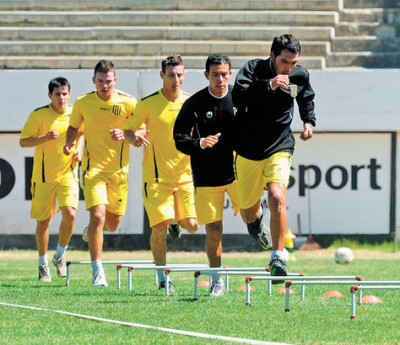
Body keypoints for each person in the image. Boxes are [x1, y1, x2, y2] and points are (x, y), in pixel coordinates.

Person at [173, 53, 269, 297]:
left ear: (230, 73)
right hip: (207, 176)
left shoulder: (242, 97)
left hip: (239, 171)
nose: (221, 79)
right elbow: (179, 138)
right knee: (213, 229)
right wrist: (200, 143)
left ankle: (257, 222)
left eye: (225, 74)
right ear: (206, 75)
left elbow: (260, 128)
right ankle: (217, 281)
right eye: (215, 74)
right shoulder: (194, 103)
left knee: (249, 215)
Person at [231, 34, 316, 283]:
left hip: (280, 144)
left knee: (277, 194)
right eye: (284, 62)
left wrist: (309, 121)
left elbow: (306, 98)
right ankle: (256, 223)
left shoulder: (299, 75)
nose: (288, 68)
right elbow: (238, 97)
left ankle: (278, 255)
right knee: (248, 210)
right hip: (247, 149)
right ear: (272, 55)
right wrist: (269, 85)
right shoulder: (252, 69)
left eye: (293, 62)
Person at [123, 55, 198, 293]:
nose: (175, 80)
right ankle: (163, 277)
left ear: (184, 75)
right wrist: (134, 137)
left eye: (179, 75)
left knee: (193, 225)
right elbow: (128, 130)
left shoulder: (192, 103)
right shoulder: (147, 104)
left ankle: (178, 220)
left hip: (185, 176)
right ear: (162, 76)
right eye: (170, 75)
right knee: (159, 227)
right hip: (156, 178)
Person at [64, 60, 137, 287]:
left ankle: (92, 231)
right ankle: (98, 272)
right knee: (98, 216)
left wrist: (125, 134)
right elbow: (73, 127)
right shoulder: (83, 102)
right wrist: (70, 144)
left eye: (108, 81)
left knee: (113, 224)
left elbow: (144, 127)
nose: (104, 86)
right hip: (92, 170)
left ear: (115, 80)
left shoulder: (128, 102)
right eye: (100, 81)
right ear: (93, 81)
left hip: (119, 172)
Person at [20, 77, 83, 282]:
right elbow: (23, 142)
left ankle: (59, 255)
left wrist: (79, 151)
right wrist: (44, 138)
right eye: (58, 94)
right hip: (44, 177)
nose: (62, 98)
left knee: (71, 214)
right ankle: (42, 263)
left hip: (69, 174)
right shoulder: (39, 115)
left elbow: (82, 134)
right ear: (50, 96)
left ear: (69, 94)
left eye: (65, 94)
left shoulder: (76, 113)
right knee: (44, 222)